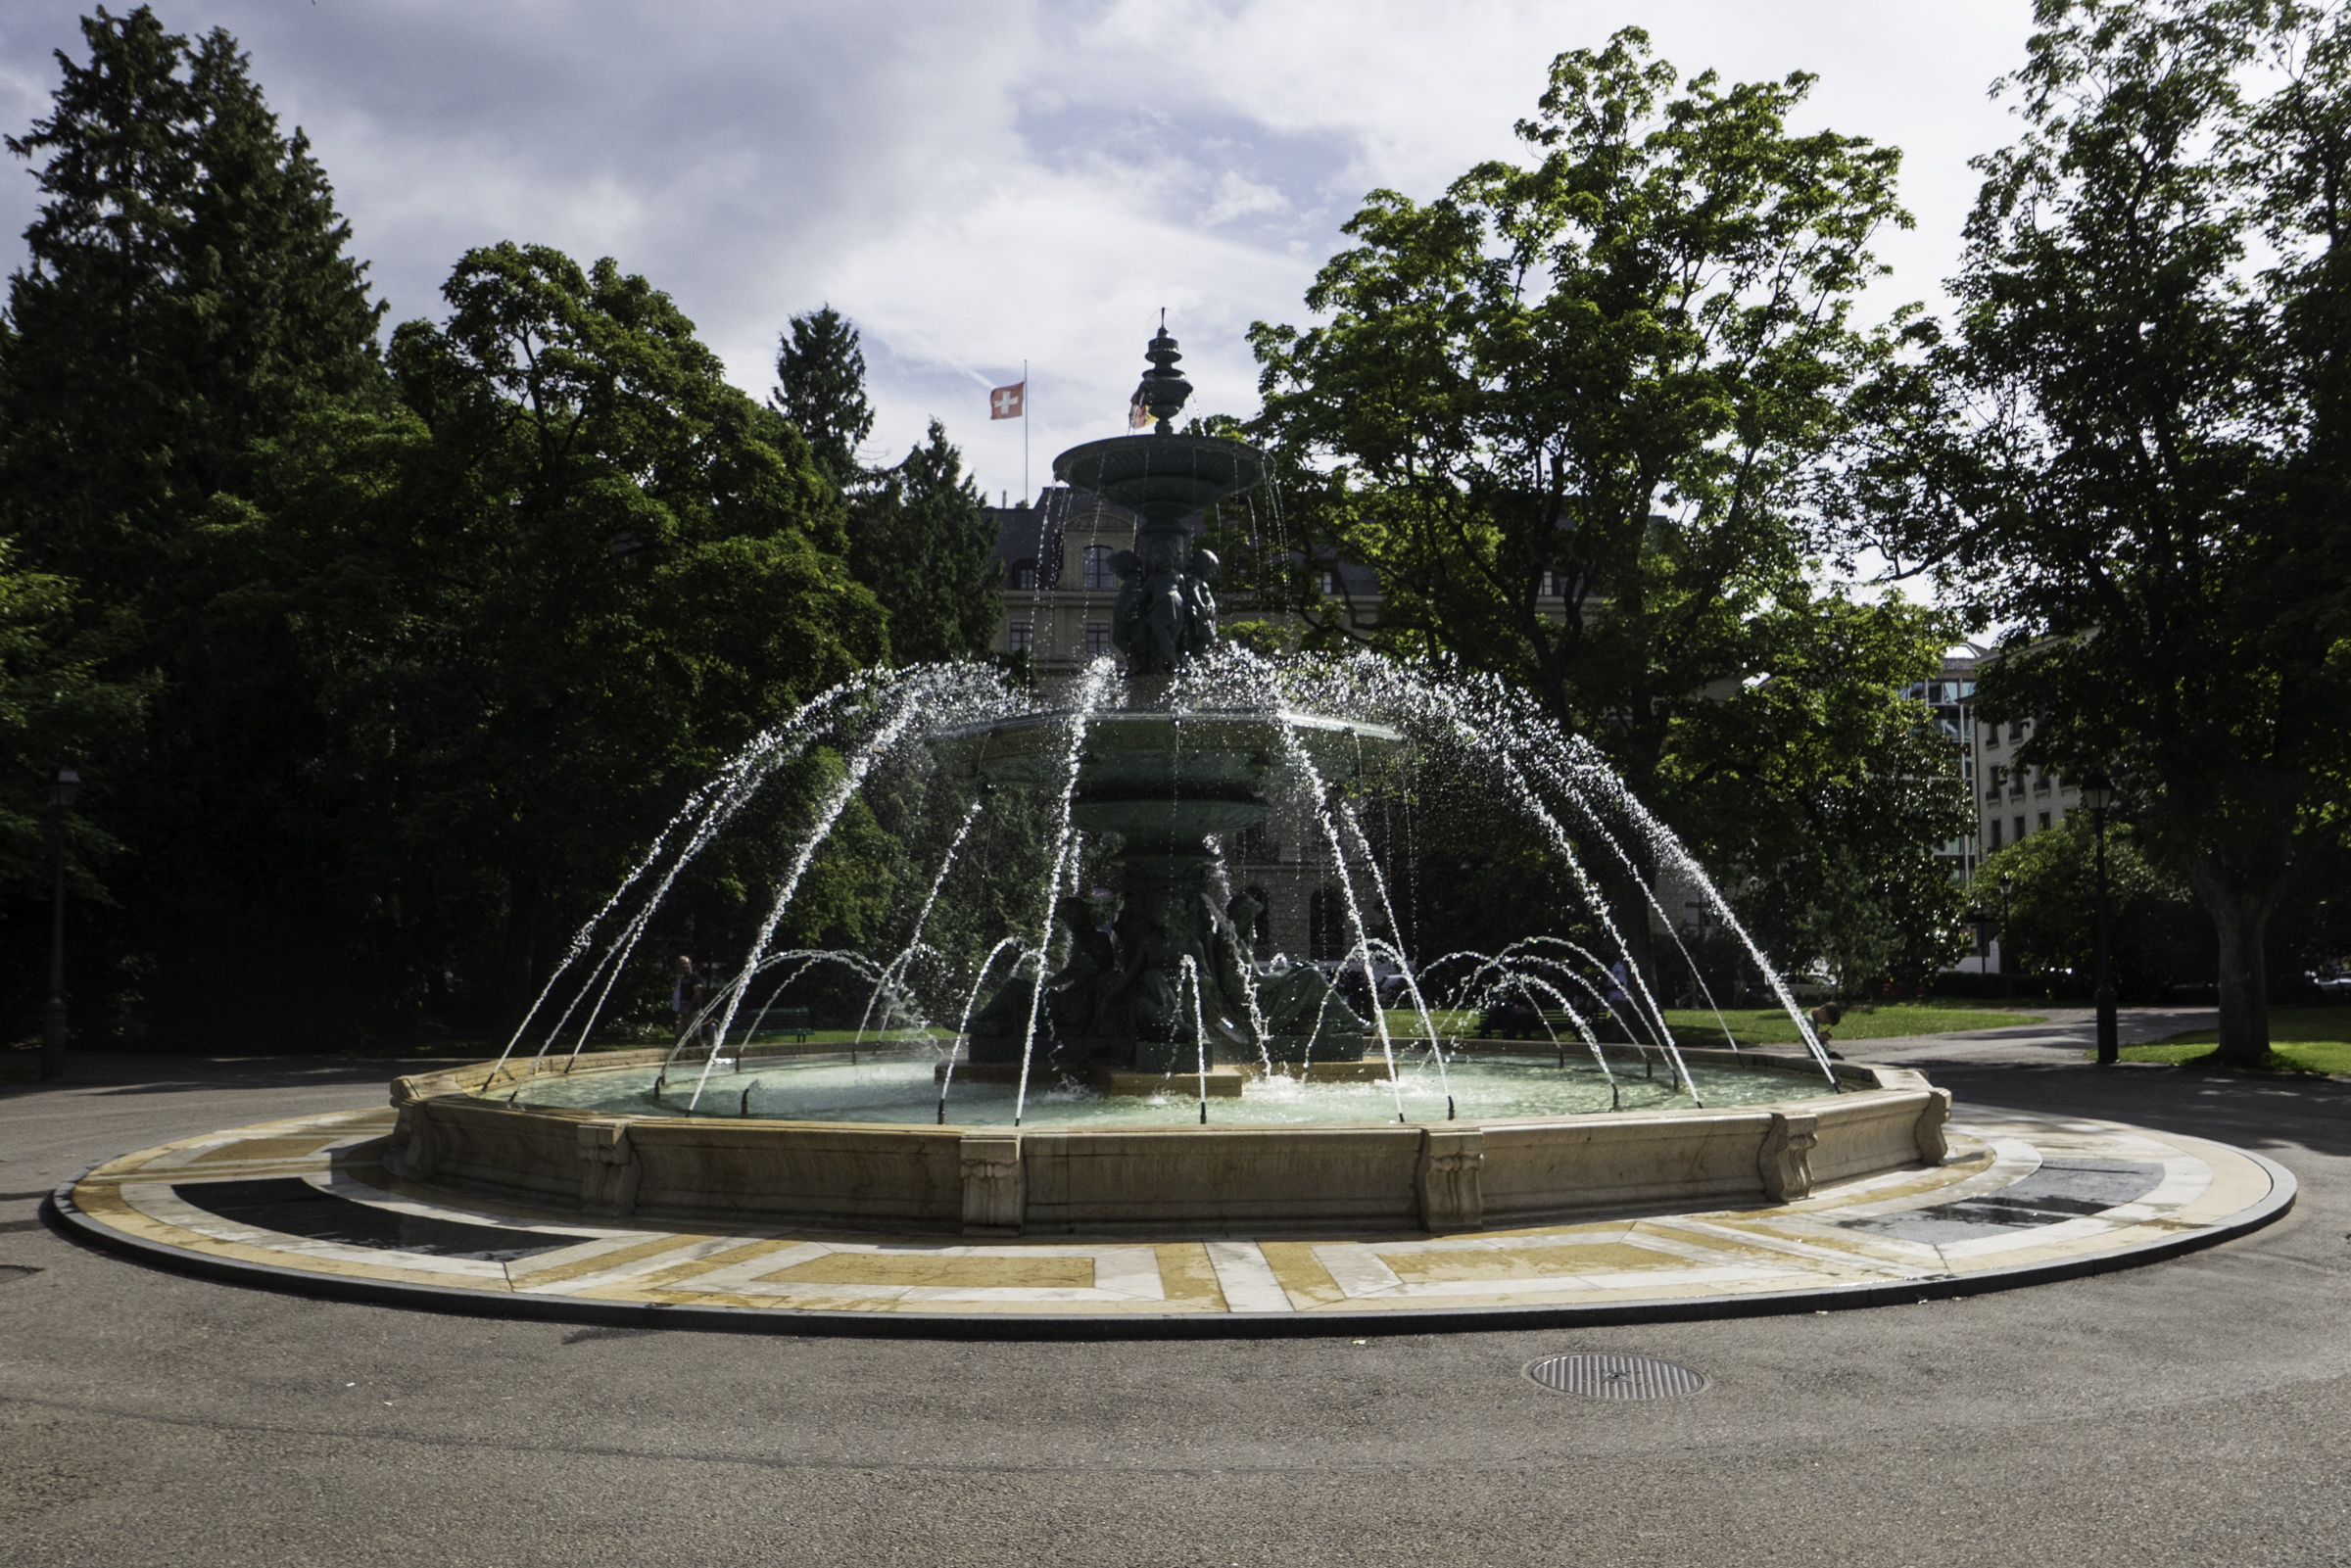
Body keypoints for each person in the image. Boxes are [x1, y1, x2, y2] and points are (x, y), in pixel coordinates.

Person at [672, 955, 704, 1047]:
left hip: (694, 1011)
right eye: (682, 964)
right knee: (678, 1034)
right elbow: (679, 996)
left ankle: (701, 1056)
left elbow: (697, 994)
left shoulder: (695, 978)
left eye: (686, 964)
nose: (684, 966)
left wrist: (689, 1008)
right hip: (683, 1011)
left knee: (696, 1035)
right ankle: (676, 1057)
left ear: (690, 964)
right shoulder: (682, 979)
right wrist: (678, 1012)